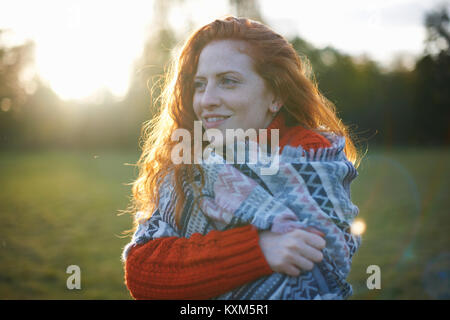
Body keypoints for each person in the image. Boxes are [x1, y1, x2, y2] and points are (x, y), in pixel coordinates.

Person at [122, 16, 360, 300]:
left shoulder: (313, 161)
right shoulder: (185, 166)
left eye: (228, 81)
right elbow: (142, 271)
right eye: (199, 84)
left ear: (276, 96)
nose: (206, 99)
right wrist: (256, 249)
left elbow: (312, 271)